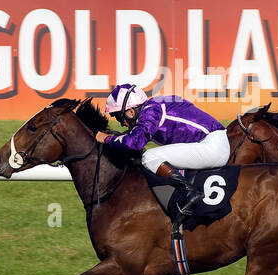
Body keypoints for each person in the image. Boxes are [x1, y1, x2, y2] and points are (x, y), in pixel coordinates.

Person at [96, 84, 229, 224]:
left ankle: (189, 192)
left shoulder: (151, 110)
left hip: (212, 147)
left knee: (149, 157)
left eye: (118, 117)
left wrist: (106, 138)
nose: (122, 124)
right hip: (213, 143)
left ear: (130, 112)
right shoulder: (154, 106)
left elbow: (135, 143)